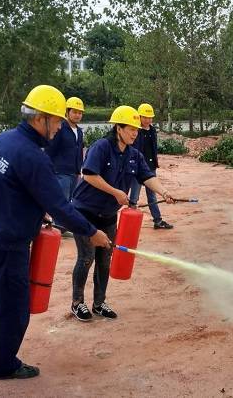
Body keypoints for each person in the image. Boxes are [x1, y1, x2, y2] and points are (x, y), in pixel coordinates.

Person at [0, 85, 110, 380]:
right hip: (6, 243)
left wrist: (34, 211)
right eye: (56, 120)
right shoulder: (33, 156)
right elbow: (60, 207)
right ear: (40, 118)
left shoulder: (1, 141)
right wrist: (91, 231)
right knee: (13, 305)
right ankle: (4, 365)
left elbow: (9, 187)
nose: (59, 127)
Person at [70, 105, 175, 322]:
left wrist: (164, 191)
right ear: (118, 128)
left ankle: (99, 303)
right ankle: (77, 303)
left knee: (105, 260)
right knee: (87, 257)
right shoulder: (101, 147)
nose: (135, 133)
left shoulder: (134, 155)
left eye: (136, 130)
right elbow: (89, 175)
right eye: (131, 129)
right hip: (85, 212)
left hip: (108, 215)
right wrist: (116, 192)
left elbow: (147, 176)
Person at [129, 103, 173, 229]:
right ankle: (130, 222)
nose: (148, 120)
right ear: (139, 117)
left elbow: (153, 148)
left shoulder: (153, 130)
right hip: (138, 168)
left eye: (150, 117)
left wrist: (154, 163)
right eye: (145, 117)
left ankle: (157, 220)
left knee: (152, 195)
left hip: (150, 167)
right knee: (134, 197)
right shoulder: (135, 131)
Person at [45, 96, 85, 236]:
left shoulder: (79, 131)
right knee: (61, 200)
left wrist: (80, 169)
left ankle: (64, 227)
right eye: (74, 112)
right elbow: (51, 149)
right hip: (61, 171)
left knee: (70, 201)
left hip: (74, 172)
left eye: (80, 112)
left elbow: (79, 150)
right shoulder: (61, 128)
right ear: (67, 112)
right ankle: (59, 228)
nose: (77, 115)